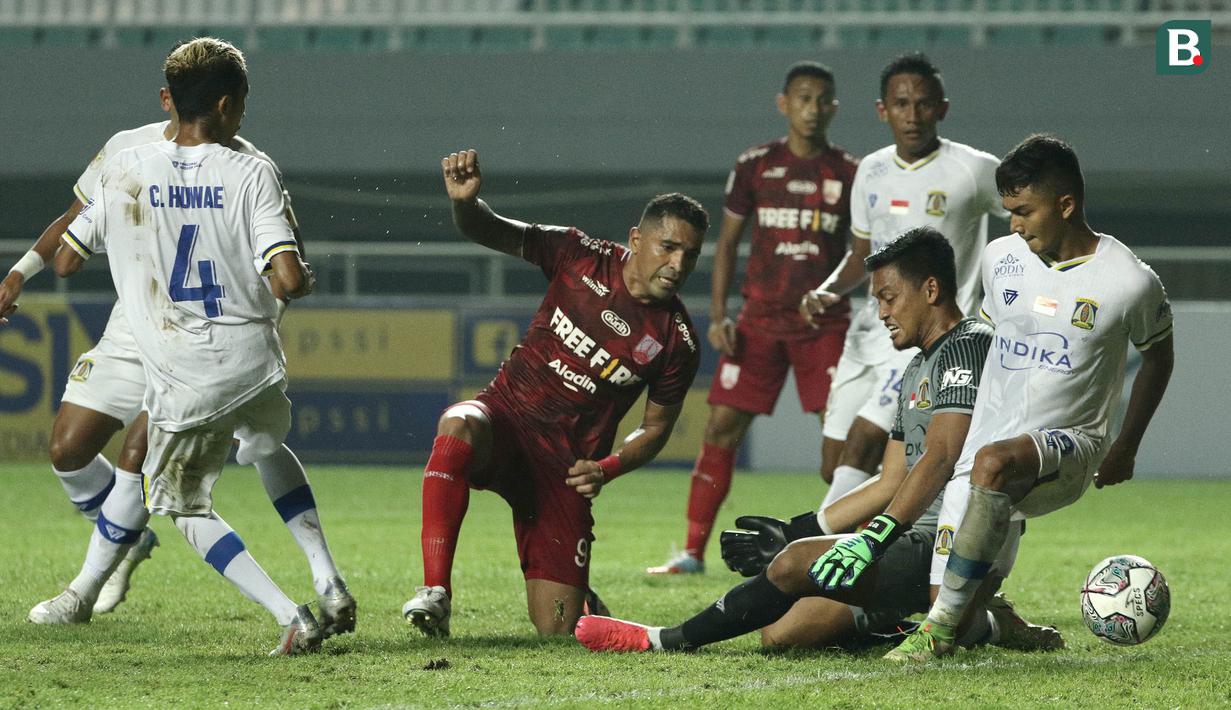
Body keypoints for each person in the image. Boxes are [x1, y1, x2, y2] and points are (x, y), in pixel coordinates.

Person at [577, 228, 1056, 654]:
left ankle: (658, 639)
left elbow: (940, 456)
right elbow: (890, 478)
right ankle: (984, 622)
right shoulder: (915, 368)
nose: (881, 312)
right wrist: (797, 527)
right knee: (783, 633)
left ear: (931, 289)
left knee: (793, 566)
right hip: (913, 538)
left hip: (955, 541)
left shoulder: (969, 344)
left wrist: (869, 540)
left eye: (889, 297)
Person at [7, 46, 345, 625]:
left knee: (153, 470)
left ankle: (83, 591)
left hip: (198, 344)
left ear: (175, 98)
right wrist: (18, 273)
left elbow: (70, 254)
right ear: (224, 102)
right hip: (148, 327)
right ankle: (322, 580)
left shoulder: (168, 166)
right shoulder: (144, 155)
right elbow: (289, 271)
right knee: (68, 448)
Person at [886, 134, 1174, 661]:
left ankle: (934, 637)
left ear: (1065, 205)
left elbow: (1159, 356)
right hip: (984, 453)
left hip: (1070, 446)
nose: (1013, 224)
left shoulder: (1130, 281)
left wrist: (1125, 445)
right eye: (1008, 211)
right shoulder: (1001, 260)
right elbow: (988, 345)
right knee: (952, 603)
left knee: (994, 467)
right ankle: (998, 624)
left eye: (1024, 211)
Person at [403, 149, 706, 637]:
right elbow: (490, 229)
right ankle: (436, 593)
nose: (677, 263)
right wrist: (465, 203)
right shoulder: (578, 253)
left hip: (563, 472)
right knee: (457, 421)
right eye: (668, 247)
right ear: (636, 239)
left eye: (689, 254)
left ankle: (580, 596)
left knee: (558, 630)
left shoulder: (678, 341)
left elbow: (656, 429)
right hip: (504, 421)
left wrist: (607, 469)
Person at [648, 61, 859, 575]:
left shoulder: (851, 173)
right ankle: (693, 552)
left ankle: (853, 545)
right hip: (759, 321)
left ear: (833, 107)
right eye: (802, 98)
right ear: (783, 103)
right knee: (721, 427)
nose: (811, 108)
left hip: (823, 325)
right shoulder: (755, 165)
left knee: (844, 437)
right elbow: (726, 247)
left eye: (821, 99)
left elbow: (864, 249)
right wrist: (720, 315)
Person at [800, 53, 1006, 521]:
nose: (912, 115)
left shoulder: (973, 170)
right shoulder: (869, 171)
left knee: (864, 441)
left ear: (942, 109)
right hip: (870, 330)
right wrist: (829, 290)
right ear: (882, 110)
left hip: (929, 338)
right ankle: (883, 530)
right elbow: (859, 253)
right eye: (901, 104)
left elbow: (1025, 211)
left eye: (923, 104)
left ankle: (821, 555)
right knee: (834, 463)